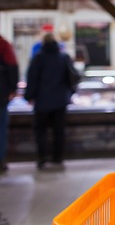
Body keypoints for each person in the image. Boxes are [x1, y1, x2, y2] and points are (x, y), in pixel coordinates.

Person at [25, 33, 75, 170]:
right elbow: (72, 78)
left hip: (42, 102)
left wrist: (28, 97)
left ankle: (42, 158)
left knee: (41, 131)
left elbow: (32, 78)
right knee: (59, 130)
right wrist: (70, 94)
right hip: (60, 101)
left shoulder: (38, 58)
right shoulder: (63, 57)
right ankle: (57, 157)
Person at [0, 35, 19, 173]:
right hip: (1, 95)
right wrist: (12, 89)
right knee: (1, 130)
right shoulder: (3, 44)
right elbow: (13, 66)